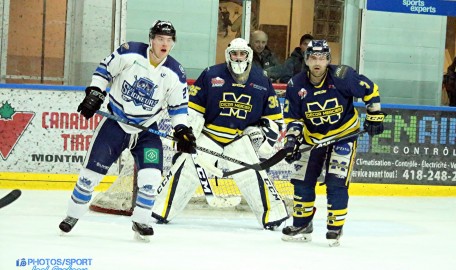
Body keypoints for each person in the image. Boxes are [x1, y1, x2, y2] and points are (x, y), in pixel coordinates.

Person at [58, 20, 196, 241]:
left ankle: (141, 221)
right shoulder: (129, 53)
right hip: (115, 124)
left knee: (151, 179)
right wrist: (95, 93)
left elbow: (178, 107)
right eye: (160, 39)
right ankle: (72, 215)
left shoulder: (175, 72)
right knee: (89, 177)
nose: (164, 44)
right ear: (151, 39)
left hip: (147, 130)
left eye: (168, 40)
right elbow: (104, 71)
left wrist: (182, 130)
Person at [154, 37, 289, 230]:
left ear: (249, 56)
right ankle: (162, 208)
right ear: (228, 55)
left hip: (239, 138)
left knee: (253, 175)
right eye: (235, 53)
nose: (238, 58)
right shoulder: (211, 74)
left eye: (242, 54)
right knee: (186, 170)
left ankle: (272, 215)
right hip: (209, 135)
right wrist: (190, 130)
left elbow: (274, 118)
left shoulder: (261, 80)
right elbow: (192, 107)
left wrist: (262, 139)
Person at [280, 40, 385, 246]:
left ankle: (335, 228)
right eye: (312, 57)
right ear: (306, 59)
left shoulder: (343, 76)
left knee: (337, 181)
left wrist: (375, 115)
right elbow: (293, 117)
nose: (317, 62)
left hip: (343, 135)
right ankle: (302, 224)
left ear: (328, 59)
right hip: (313, 138)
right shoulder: (295, 84)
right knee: (302, 181)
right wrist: (292, 140)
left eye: (321, 58)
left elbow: (370, 89)